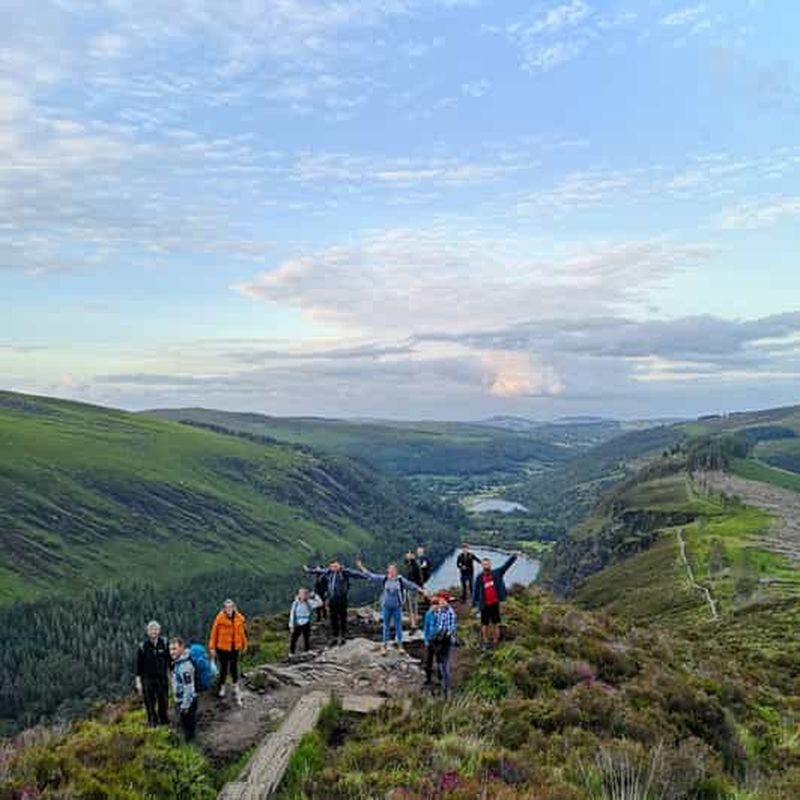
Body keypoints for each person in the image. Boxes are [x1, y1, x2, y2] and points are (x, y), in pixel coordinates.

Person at [356, 559, 424, 653]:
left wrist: (421, 590)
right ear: (388, 570)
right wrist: (361, 567)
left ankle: (400, 646)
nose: (392, 571)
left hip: (397, 606)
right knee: (386, 626)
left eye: (393, 569)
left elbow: (411, 585)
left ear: (396, 571)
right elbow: (371, 576)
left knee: (398, 626)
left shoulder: (400, 580)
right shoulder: (384, 579)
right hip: (386, 606)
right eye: (390, 569)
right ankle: (385, 646)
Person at [304, 560, 365, 646]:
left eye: (336, 566)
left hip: (342, 599)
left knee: (342, 618)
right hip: (332, 599)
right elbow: (318, 571)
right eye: (332, 566)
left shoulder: (344, 572)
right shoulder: (329, 572)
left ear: (339, 565)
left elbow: (356, 574)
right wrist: (309, 570)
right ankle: (335, 636)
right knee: (333, 618)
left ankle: (343, 636)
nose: (334, 568)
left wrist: (366, 575)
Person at [472, 552, 519, 648]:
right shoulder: (479, 577)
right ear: (482, 565)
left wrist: (513, 557)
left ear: (490, 564)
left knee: (496, 623)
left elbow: (506, 566)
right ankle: (485, 640)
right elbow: (475, 591)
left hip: (494, 603)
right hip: (484, 605)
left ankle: (495, 640)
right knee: (484, 624)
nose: (486, 565)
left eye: (487, 564)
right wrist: (474, 604)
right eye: (484, 564)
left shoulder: (497, 573)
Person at [208, 599, 247, 706]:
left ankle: (235, 685)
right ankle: (222, 686)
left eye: (231, 607)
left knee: (234, 667)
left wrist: (244, 644)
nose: (229, 609)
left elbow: (242, 632)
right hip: (222, 648)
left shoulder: (239, 618)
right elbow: (214, 633)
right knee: (224, 668)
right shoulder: (219, 618)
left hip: (235, 647)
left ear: (234, 607)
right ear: (224, 608)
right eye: (227, 607)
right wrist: (212, 647)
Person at [135, 620, 171, 727]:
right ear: (147, 632)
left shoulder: (164, 643)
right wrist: (138, 682)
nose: (153, 632)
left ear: (159, 631)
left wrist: (172, 677)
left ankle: (164, 722)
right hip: (147, 679)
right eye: (151, 629)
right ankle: (152, 723)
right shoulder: (142, 647)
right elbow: (138, 667)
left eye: (155, 629)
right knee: (149, 703)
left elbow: (169, 662)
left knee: (163, 701)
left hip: (162, 678)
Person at [423, 592, 457, 697]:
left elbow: (451, 628)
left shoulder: (451, 613)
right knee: (439, 662)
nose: (440, 602)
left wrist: (444, 634)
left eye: (442, 600)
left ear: (446, 601)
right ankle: (441, 683)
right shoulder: (437, 611)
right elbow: (432, 624)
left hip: (446, 641)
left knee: (444, 663)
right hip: (436, 640)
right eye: (440, 601)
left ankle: (446, 686)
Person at [169, 637, 198, 742]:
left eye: (174, 649)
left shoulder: (185, 666)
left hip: (187, 702)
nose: (172, 652)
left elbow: (188, 688)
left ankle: (191, 749)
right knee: (185, 726)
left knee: (188, 728)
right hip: (181, 700)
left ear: (181, 648)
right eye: (170, 649)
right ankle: (189, 745)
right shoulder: (178, 662)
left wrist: (185, 706)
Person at [289, 587, 313, 654]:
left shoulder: (309, 603)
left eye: (305, 593)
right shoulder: (295, 603)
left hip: (306, 621)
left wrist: (314, 596)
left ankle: (306, 650)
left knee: (306, 637)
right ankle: (291, 652)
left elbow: (320, 603)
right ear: (299, 594)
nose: (304, 595)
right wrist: (291, 625)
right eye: (302, 593)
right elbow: (292, 614)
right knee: (294, 638)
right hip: (298, 622)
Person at [403, 551, 423, 629]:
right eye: (407, 555)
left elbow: (420, 575)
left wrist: (420, 587)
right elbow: (405, 561)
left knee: (412, 603)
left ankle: (414, 622)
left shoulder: (415, 564)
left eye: (409, 555)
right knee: (407, 602)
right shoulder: (408, 564)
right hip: (408, 586)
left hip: (414, 586)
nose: (408, 556)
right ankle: (412, 618)